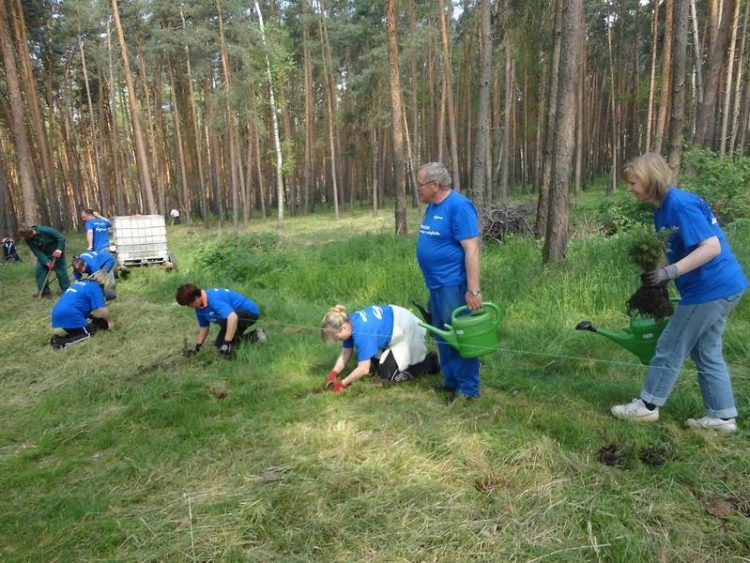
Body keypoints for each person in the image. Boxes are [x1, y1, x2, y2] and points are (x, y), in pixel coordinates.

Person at [611, 153, 747, 433]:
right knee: (705, 350)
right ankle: (722, 417)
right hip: (722, 287)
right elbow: (671, 250)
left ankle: (647, 406)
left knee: (671, 344)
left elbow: (711, 248)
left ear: (651, 179)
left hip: (710, 289)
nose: (631, 188)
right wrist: (656, 275)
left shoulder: (679, 203)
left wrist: (669, 273)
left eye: (634, 182)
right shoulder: (662, 209)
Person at [415, 162, 483, 400]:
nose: (418, 189)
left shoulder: (459, 207)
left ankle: (468, 390)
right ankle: (451, 382)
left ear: (435, 185)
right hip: (436, 284)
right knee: (442, 335)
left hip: (453, 285)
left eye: (421, 185)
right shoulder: (432, 207)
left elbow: (471, 249)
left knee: (460, 335)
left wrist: (473, 290)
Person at [320, 304, 439, 393]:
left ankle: (430, 362)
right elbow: (346, 353)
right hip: (396, 325)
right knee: (376, 367)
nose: (336, 340)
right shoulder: (350, 321)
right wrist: (333, 374)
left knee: (390, 376)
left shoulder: (361, 332)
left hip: (406, 330)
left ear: (344, 328)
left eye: (336, 337)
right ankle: (386, 356)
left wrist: (342, 384)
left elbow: (363, 369)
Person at [176, 284, 266, 358]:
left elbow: (233, 317)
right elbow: (204, 327)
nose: (189, 307)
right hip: (231, 319)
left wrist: (227, 342)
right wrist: (198, 348)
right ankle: (256, 335)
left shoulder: (213, 299)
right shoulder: (199, 307)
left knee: (225, 339)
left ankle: (247, 340)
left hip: (248, 313)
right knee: (219, 346)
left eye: (189, 304)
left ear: (196, 297)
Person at [50, 275, 113, 349]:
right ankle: (60, 342)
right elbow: (102, 309)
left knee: (79, 333)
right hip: (68, 313)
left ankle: (62, 338)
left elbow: (78, 304)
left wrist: (92, 317)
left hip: (57, 312)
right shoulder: (96, 288)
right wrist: (110, 322)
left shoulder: (81, 283)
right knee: (88, 334)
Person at [17, 225, 70, 297]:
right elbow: (37, 252)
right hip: (44, 255)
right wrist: (46, 262)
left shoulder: (45, 230)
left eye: (29, 236)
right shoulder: (28, 239)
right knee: (39, 270)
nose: (29, 238)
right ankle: (45, 292)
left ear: (31, 233)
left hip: (57, 253)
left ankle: (66, 290)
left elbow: (61, 238)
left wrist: (59, 249)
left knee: (60, 271)